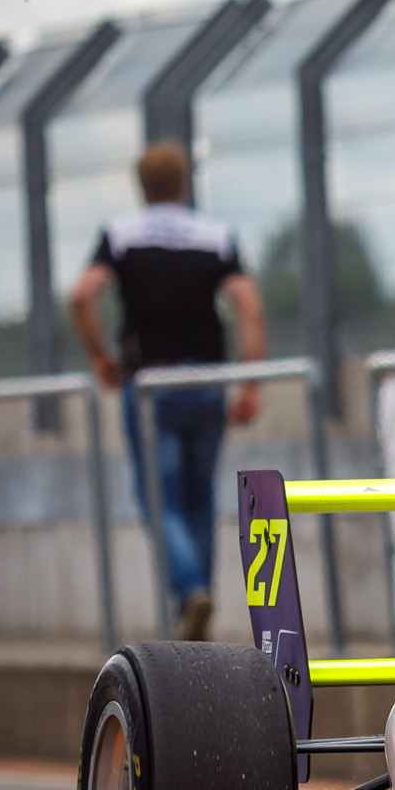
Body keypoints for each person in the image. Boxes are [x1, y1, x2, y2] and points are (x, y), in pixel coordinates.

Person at [71, 141, 264, 642]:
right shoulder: (215, 234)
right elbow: (249, 307)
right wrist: (252, 382)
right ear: (185, 183)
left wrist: (99, 356)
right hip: (208, 383)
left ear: (142, 186)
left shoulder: (121, 233)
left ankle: (191, 589)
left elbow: (82, 294)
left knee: (159, 498)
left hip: (151, 383)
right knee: (201, 496)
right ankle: (198, 607)